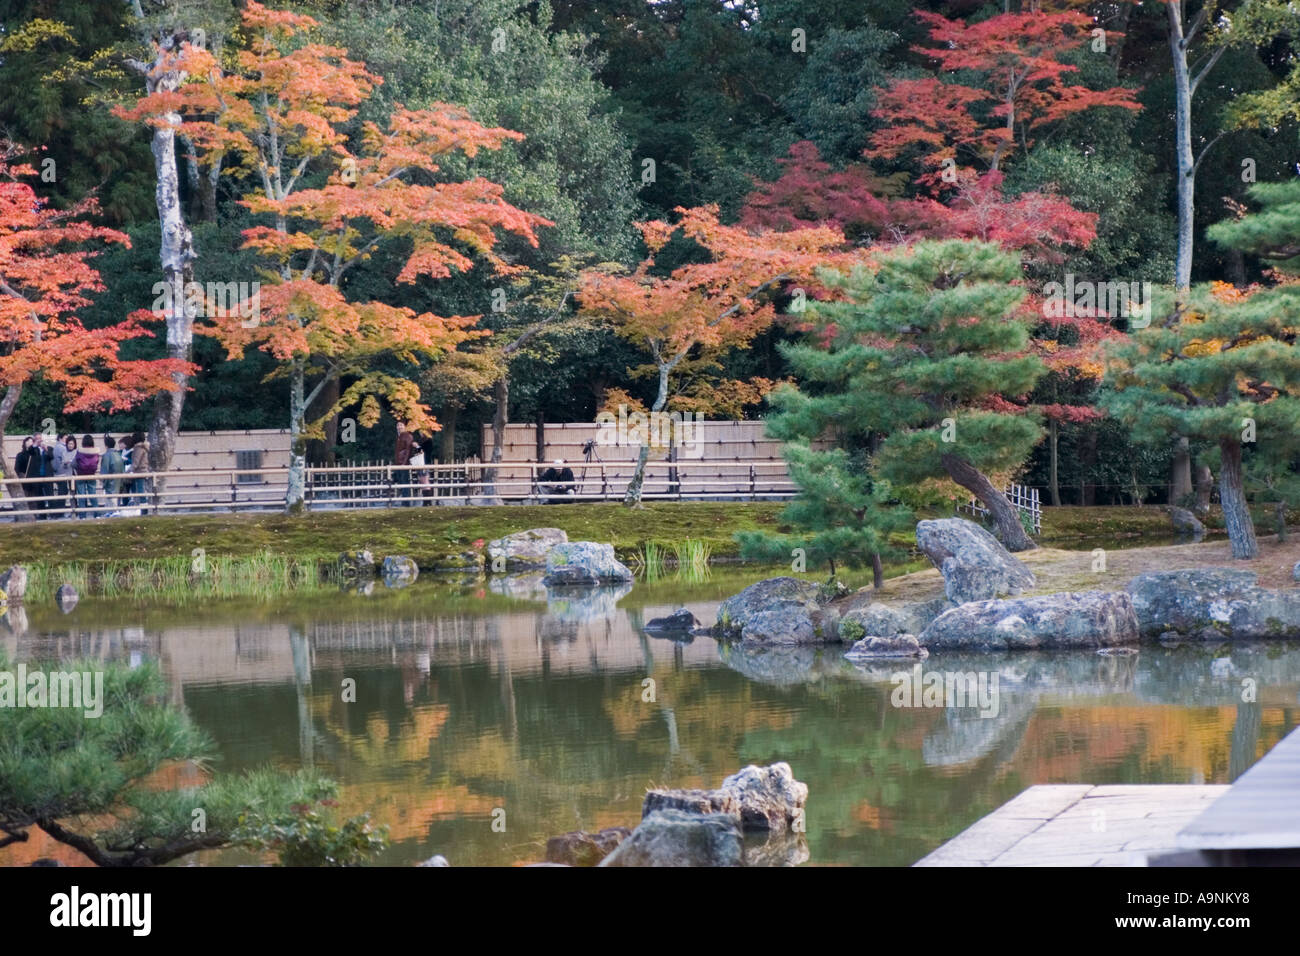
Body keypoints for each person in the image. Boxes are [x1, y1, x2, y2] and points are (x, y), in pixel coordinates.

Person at [22, 433, 53, 518]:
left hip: (47, 475)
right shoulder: (33, 450)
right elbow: (29, 452)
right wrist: (35, 444)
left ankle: (53, 514)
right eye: (37, 439)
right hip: (37, 475)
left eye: (41, 438)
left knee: (50, 495)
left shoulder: (49, 448)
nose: (40, 440)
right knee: (39, 497)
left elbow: (51, 456)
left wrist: (45, 449)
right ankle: (43, 515)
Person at [73, 434, 100, 519]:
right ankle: (97, 514)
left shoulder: (80, 451)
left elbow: (74, 463)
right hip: (91, 475)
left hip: (81, 475)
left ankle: (82, 516)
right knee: (92, 494)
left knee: (81, 495)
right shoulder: (96, 451)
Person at [98, 436, 125, 512]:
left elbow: (104, 470)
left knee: (111, 504)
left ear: (106, 446)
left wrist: (102, 480)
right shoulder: (118, 454)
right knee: (117, 503)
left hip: (110, 483)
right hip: (120, 482)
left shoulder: (107, 455)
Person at [393, 421, 415, 505]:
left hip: (403, 463)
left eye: (401, 425)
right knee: (400, 481)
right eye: (398, 425)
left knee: (405, 481)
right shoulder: (399, 437)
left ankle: (406, 502)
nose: (399, 427)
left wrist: (404, 463)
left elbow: (408, 451)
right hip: (398, 462)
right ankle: (404, 500)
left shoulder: (408, 436)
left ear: (405, 426)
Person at [127, 431, 150, 507]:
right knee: (141, 488)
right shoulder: (144, 448)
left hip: (140, 472)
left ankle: (143, 505)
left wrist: (128, 471)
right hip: (144, 470)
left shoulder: (138, 449)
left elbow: (136, 462)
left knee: (140, 489)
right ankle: (143, 504)